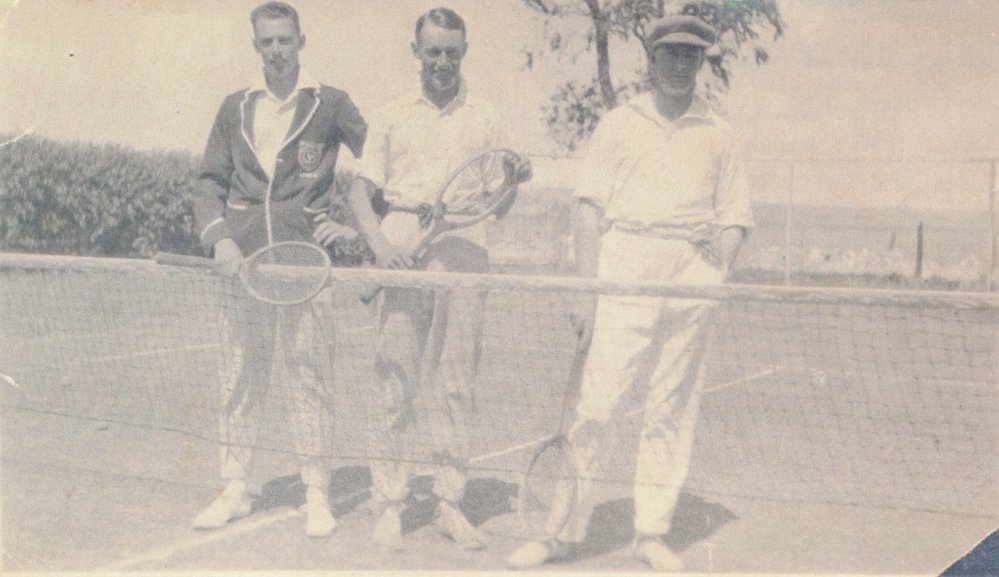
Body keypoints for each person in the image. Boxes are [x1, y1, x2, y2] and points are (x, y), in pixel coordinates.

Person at [506, 14, 753, 571]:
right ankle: (559, 534)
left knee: (670, 410)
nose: (681, 64)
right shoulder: (619, 123)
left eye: (691, 55)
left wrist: (717, 268)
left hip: (691, 280)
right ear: (652, 58)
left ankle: (650, 534)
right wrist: (588, 290)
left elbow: (736, 216)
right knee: (595, 408)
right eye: (671, 53)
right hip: (623, 268)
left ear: (700, 62)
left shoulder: (719, 131)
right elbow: (588, 211)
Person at [346, 7, 532, 552]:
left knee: (456, 383)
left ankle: (450, 502)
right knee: (395, 376)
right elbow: (360, 195)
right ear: (417, 53)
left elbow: (496, 203)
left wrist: (515, 181)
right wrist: (384, 253)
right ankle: (390, 502)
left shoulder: (488, 116)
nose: (443, 62)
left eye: (452, 51)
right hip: (403, 237)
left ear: (464, 51)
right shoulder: (390, 114)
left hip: (466, 249)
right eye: (433, 52)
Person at [190, 1, 366, 538]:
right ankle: (234, 488)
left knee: (309, 376)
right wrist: (218, 239)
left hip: (303, 269)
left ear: (300, 42)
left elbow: (380, 165)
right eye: (266, 42)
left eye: (284, 41)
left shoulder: (331, 103)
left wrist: (359, 229)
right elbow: (208, 182)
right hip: (242, 270)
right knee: (240, 377)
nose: (276, 51)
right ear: (255, 46)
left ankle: (317, 492)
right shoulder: (234, 107)